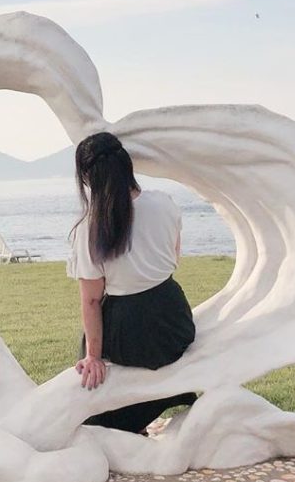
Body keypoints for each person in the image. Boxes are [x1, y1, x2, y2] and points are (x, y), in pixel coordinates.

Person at [67, 132, 197, 434]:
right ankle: (168, 398)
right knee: (151, 357)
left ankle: (123, 426)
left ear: (87, 180)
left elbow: (91, 301)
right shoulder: (165, 203)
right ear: (127, 166)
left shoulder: (88, 228)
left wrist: (93, 356)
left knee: (89, 365)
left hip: (128, 330)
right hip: (173, 321)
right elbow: (173, 260)